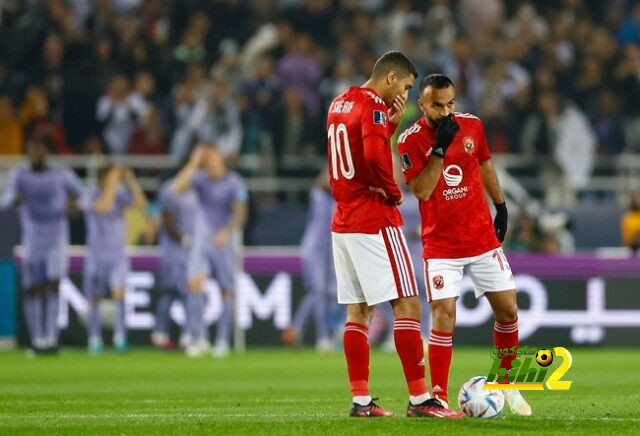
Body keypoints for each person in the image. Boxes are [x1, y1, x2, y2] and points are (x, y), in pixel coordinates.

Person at [327, 51, 463, 418]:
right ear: (390, 78)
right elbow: (373, 156)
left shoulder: (340, 103)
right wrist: (393, 192)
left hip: (342, 218)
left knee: (358, 310)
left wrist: (392, 122)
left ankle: (361, 401)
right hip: (374, 216)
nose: (403, 93)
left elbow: (355, 151)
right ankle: (421, 399)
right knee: (408, 303)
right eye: (404, 86)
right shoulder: (372, 106)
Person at [396, 73, 532, 416]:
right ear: (422, 104)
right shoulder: (409, 141)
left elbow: (484, 162)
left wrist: (500, 204)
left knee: (509, 310)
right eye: (437, 105)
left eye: (451, 104)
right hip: (441, 246)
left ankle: (506, 383)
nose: (446, 112)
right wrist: (439, 148)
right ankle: (438, 396)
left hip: (481, 237)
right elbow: (423, 190)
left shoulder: (472, 126)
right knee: (444, 315)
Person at [0, 140, 83, 353]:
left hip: (56, 235)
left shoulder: (60, 173)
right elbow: (6, 200)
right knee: (33, 288)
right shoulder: (21, 174)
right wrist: (15, 199)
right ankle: (37, 339)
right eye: (31, 150)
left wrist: (74, 204)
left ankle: (51, 338)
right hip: (33, 236)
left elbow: (82, 192)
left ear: (45, 152)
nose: (35, 154)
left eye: (38, 150)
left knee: (54, 284)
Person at [171, 144, 248, 358]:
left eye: (211, 157)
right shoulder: (200, 180)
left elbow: (240, 214)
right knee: (194, 284)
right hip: (202, 242)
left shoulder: (234, 182)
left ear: (220, 158)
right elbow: (175, 189)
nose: (209, 162)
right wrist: (193, 163)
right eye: (206, 159)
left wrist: (228, 230)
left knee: (226, 291)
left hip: (223, 243)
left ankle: (222, 340)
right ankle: (199, 338)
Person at [81, 165, 148, 354]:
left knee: (120, 295)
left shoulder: (120, 193)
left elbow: (142, 205)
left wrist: (131, 181)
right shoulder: (90, 194)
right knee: (94, 298)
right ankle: (94, 338)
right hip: (96, 255)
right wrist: (112, 183)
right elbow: (103, 207)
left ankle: (120, 337)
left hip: (117, 255)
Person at [281, 169, 337, 351]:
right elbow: (322, 185)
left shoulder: (336, 198)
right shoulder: (318, 194)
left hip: (330, 249)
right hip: (314, 249)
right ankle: (322, 338)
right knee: (319, 290)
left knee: (326, 292)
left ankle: (296, 329)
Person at [151, 172, 203, 350]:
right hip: (172, 252)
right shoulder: (169, 190)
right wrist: (184, 239)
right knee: (170, 292)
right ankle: (161, 333)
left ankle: (187, 335)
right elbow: (167, 218)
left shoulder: (198, 191)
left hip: (191, 254)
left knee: (189, 293)